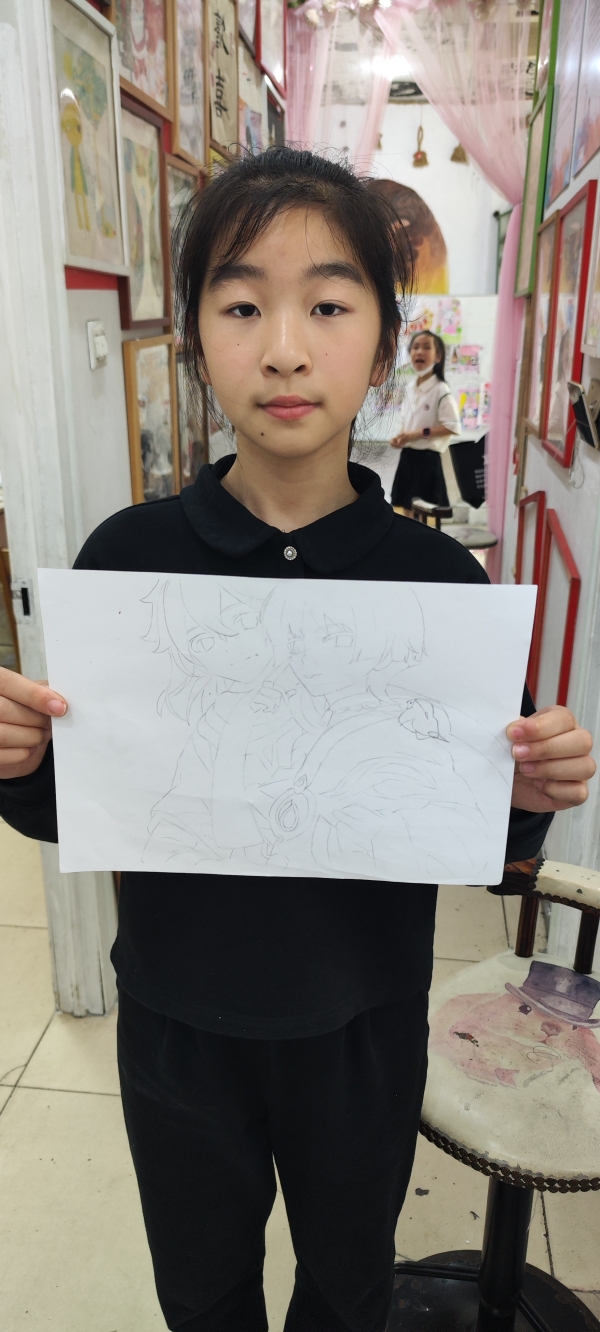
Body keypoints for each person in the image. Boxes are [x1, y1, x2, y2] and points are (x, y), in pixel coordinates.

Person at [0, 148, 594, 1332]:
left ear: (384, 344)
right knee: (202, 1293)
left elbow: (482, 838)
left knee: (345, 1288)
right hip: (177, 1018)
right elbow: (74, 804)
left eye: (328, 306)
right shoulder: (128, 561)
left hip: (360, 1024)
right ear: (194, 338)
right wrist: (20, 761)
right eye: (240, 306)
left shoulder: (438, 588)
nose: (283, 348)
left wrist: (532, 792)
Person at [390, 328, 460, 513]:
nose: (419, 352)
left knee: (427, 514)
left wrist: (419, 434)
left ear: (438, 357)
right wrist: (401, 437)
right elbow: (407, 422)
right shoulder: (410, 388)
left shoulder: (440, 389)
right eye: (415, 347)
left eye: (426, 347)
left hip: (428, 461)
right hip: (407, 457)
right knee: (406, 509)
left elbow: (452, 426)